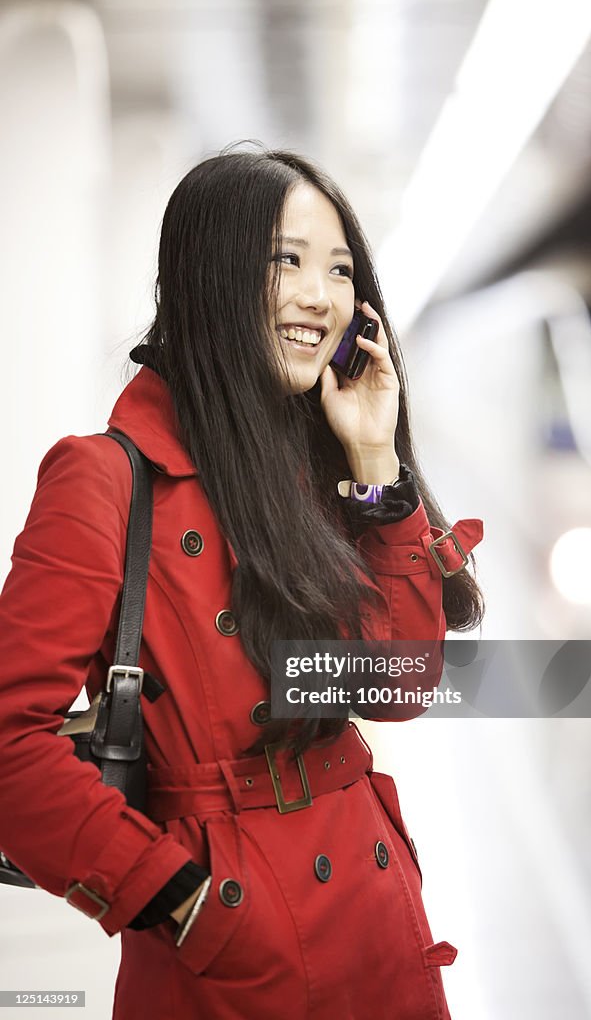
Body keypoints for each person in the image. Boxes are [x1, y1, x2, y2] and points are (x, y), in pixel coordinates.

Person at [0, 145, 484, 1019]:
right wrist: (178, 900)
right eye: (285, 262)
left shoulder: (316, 470)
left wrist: (374, 455)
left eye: (339, 269)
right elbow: (9, 741)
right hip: (230, 947)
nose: (319, 296)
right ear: (210, 278)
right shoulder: (105, 479)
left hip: (374, 918)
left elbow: (401, 684)